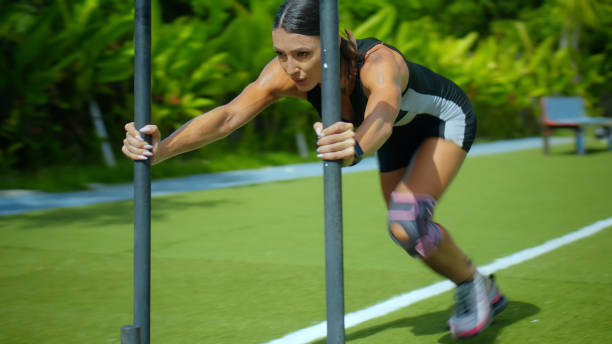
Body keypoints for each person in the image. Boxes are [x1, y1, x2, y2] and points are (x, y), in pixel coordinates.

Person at [122, 0, 506, 338]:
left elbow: (385, 112)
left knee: (406, 220)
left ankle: (472, 285)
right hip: (391, 135)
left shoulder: (377, 63)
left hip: (441, 119)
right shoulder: (286, 73)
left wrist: (355, 146)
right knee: (409, 232)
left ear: (332, 44)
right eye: (282, 53)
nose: (291, 67)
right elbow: (228, 117)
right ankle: (482, 286)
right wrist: (162, 149)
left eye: (303, 54)